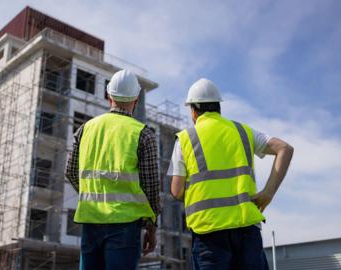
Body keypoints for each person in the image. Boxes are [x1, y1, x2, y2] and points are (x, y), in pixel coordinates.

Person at [168, 78, 294, 270]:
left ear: (193, 110)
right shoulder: (243, 131)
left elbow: (176, 191)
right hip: (247, 230)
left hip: (209, 233)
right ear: (219, 107)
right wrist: (268, 192)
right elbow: (285, 149)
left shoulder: (185, 139)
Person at [65, 69, 160, 270]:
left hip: (91, 220)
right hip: (125, 224)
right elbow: (151, 186)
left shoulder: (85, 129)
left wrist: (92, 196)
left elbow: (71, 172)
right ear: (136, 99)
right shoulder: (143, 134)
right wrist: (151, 226)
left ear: (109, 96)